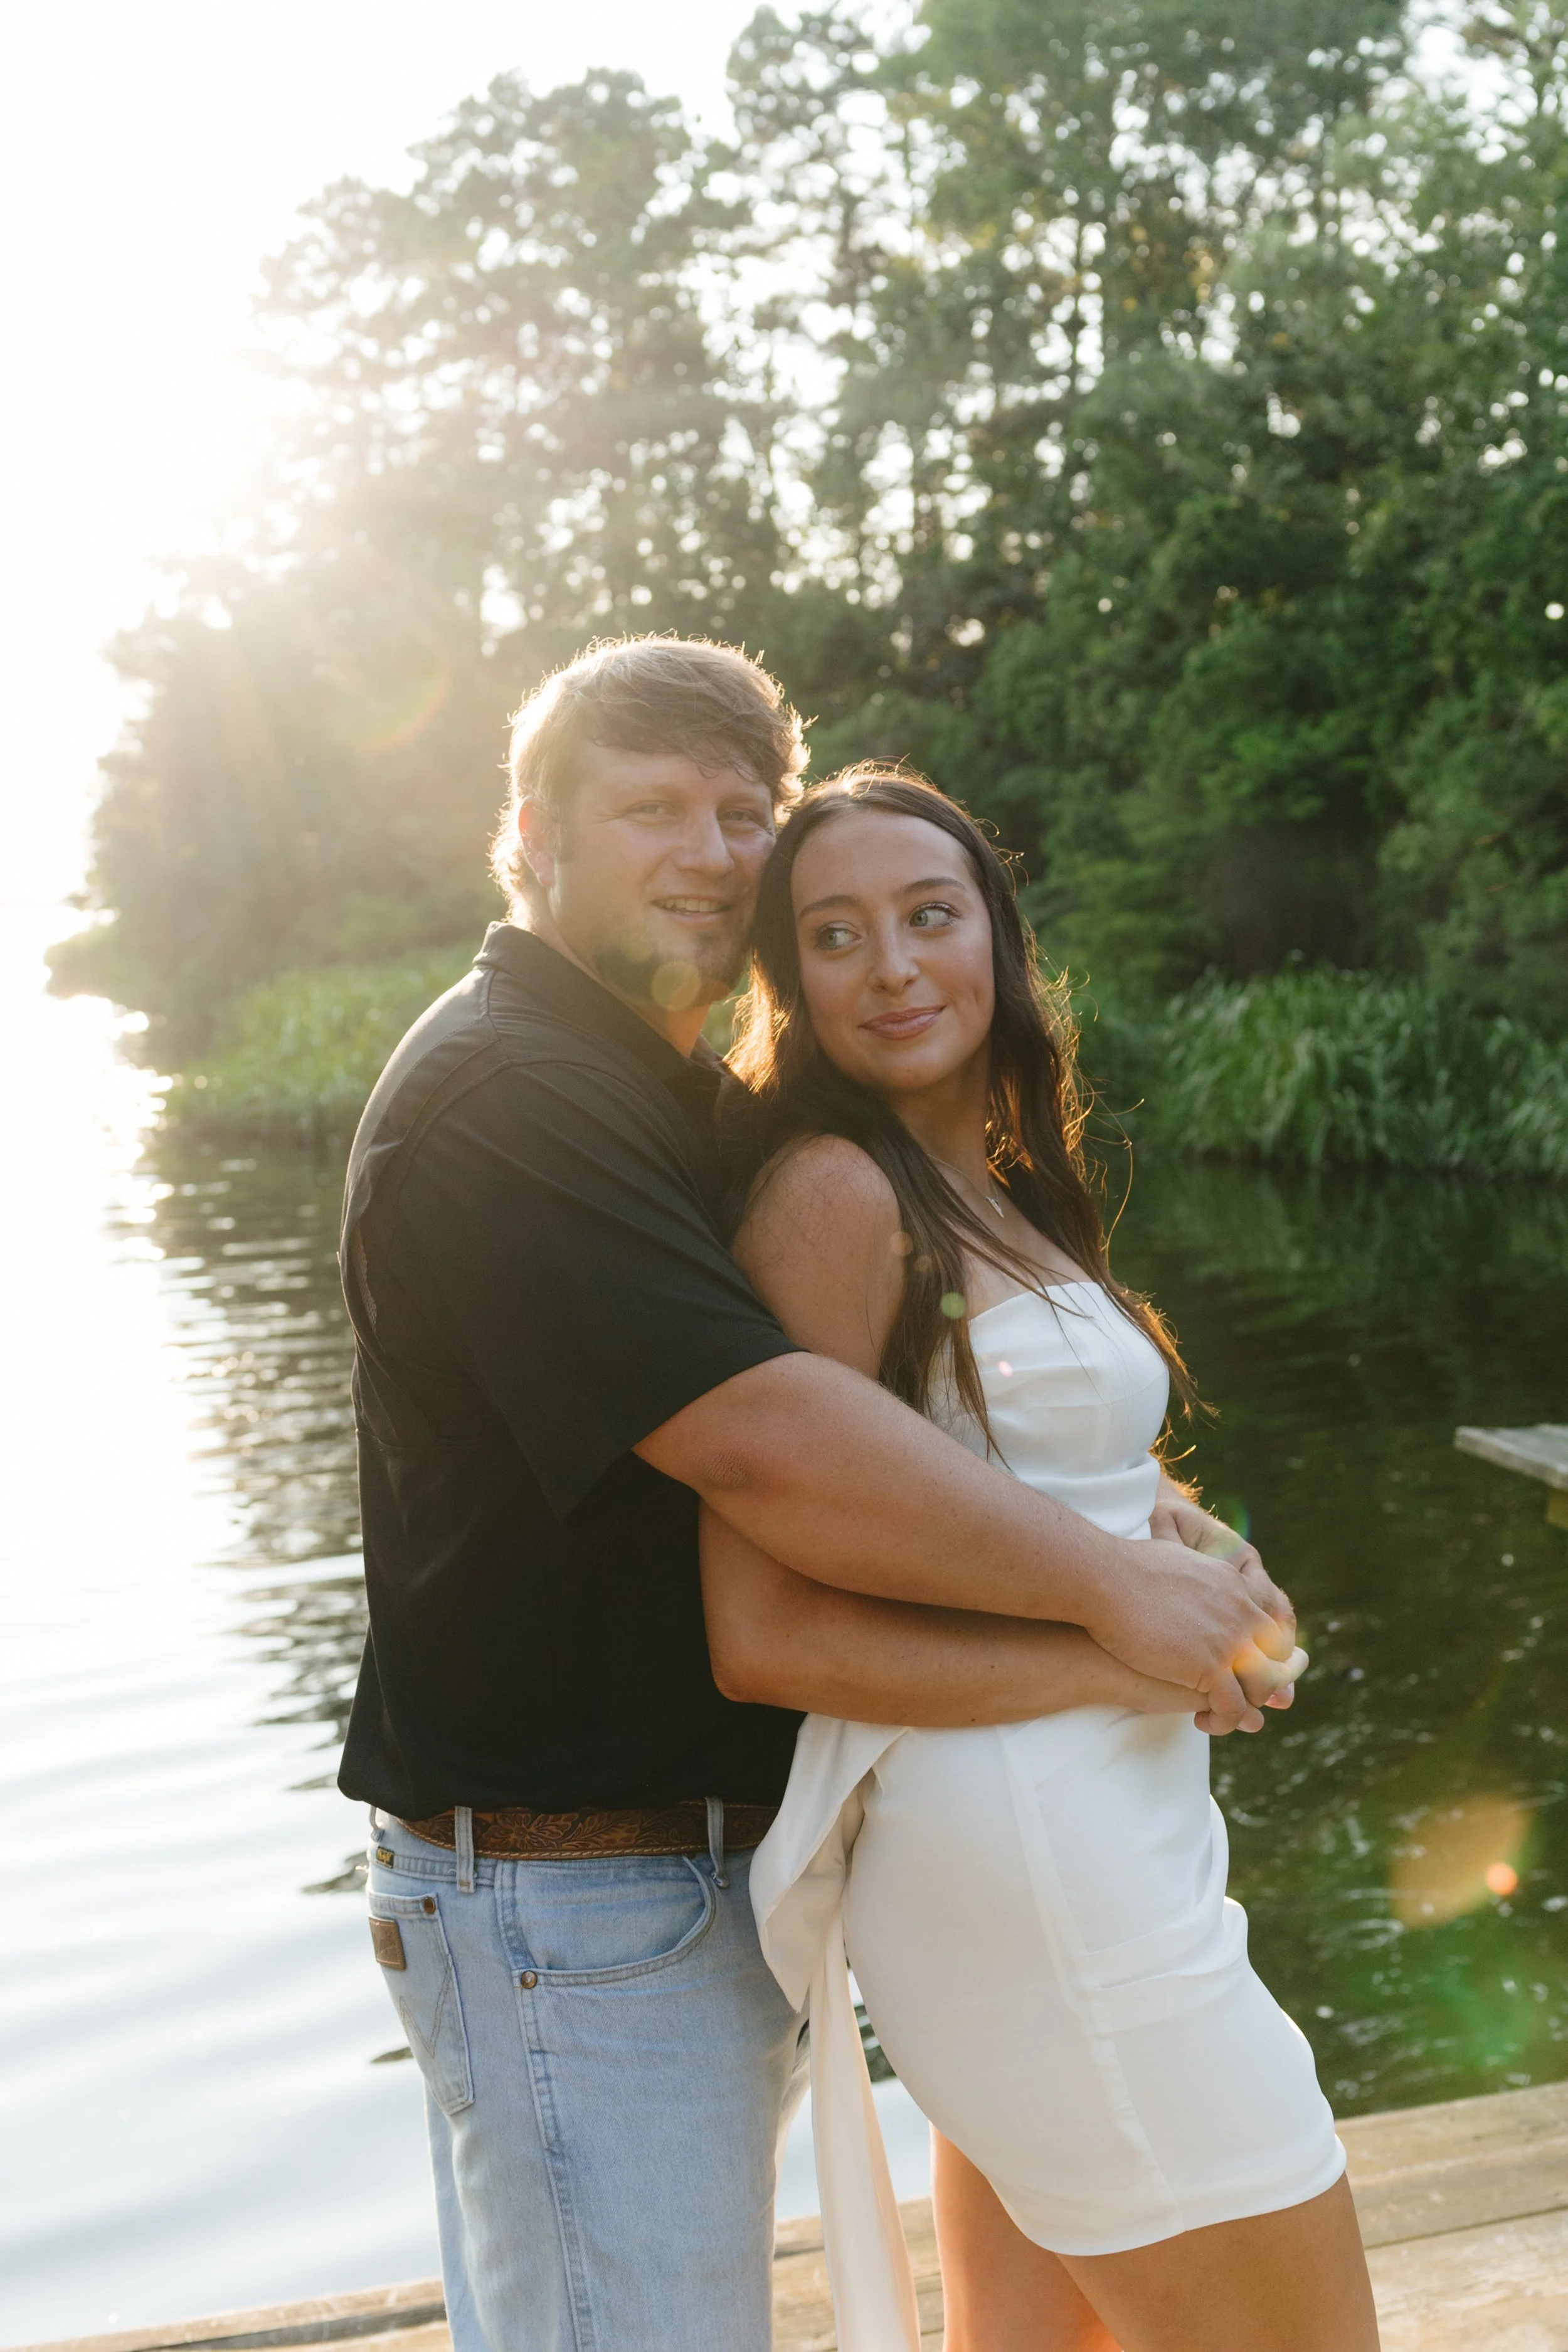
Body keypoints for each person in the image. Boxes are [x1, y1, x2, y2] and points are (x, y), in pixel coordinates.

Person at [337, 637, 1301, 2352]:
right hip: (570, 1884)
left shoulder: (672, 1094)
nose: (711, 851)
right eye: (652, 808)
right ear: (529, 834)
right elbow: (766, 1437)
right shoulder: (513, 1092)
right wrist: (1110, 1601)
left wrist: (1145, 1514)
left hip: (699, 1864)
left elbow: (908, 1406)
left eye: (739, 809)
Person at [709, 767, 1378, 2352]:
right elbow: (762, 1632)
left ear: (998, 940)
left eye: (928, 917)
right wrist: (1114, 1649)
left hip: (1108, 1833)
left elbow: (1033, 1481)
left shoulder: (995, 1188)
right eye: (834, 934)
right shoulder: (832, 1195)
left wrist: (1204, 1555)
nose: (891, 968)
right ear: (787, 985)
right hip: (1032, 1866)